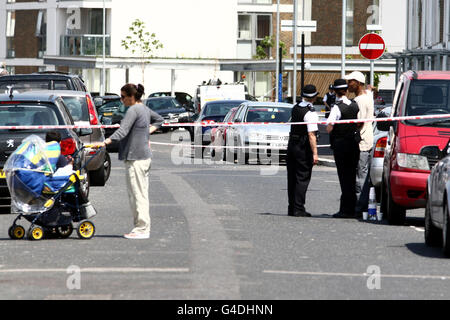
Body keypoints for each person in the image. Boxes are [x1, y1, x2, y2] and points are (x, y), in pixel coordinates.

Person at [96, 84, 164, 239]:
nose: (121, 100)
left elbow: (123, 130)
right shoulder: (144, 109)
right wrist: (146, 132)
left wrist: (106, 141)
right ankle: (142, 227)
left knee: (136, 195)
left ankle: (141, 229)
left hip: (135, 158)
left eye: (123, 97)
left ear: (131, 96)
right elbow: (159, 120)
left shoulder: (133, 110)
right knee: (141, 194)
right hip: (143, 157)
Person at [327, 79, 361, 219]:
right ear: (346, 90)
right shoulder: (354, 105)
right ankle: (352, 207)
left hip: (340, 145)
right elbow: (359, 123)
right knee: (352, 176)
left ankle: (345, 209)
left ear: (335, 91)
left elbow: (329, 126)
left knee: (343, 177)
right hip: (353, 144)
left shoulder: (336, 107)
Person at [287, 84, 320, 217]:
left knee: (292, 177)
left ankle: (292, 206)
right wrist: (315, 153)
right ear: (314, 97)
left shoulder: (295, 108)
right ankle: (298, 208)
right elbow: (311, 135)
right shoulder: (310, 112)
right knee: (302, 177)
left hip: (292, 145)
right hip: (303, 145)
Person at [345, 71, 374, 217]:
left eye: (350, 81)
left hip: (361, 142)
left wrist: (345, 128)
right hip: (366, 140)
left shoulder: (360, 101)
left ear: (358, 82)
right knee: (362, 174)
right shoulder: (365, 97)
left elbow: (359, 121)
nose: (348, 84)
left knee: (360, 175)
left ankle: (359, 207)